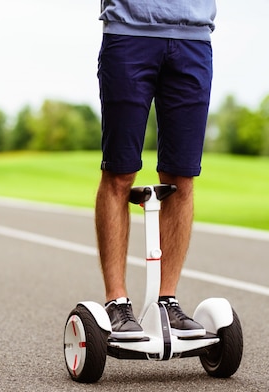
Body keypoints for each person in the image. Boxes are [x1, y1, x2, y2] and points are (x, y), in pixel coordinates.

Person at [96, 1, 217, 340]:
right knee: (119, 173)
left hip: (194, 39)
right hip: (128, 33)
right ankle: (116, 303)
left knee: (182, 177)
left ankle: (167, 300)